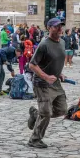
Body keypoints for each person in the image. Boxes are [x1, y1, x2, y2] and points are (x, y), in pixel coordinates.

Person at [27, 18, 67, 148]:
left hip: (55, 83)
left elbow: (54, 60)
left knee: (62, 110)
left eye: (60, 26)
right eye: (56, 27)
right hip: (41, 83)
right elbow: (32, 65)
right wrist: (45, 76)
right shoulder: (44, 44)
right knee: (46, 113)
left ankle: (35, 114)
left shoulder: (62, 42)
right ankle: (34, 139)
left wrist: (59, 72)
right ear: (49, 28)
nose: (59, 29)